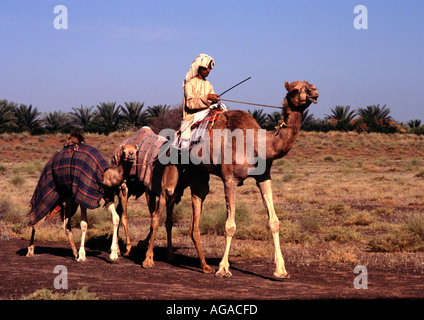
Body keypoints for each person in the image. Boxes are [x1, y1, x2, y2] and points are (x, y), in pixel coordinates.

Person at [180, 53, 221, 148]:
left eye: (210, 69)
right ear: (199, 68)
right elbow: (190, 104)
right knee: (184, 146)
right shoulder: (189, 84)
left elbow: (211, 103)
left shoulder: (209, 85)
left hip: (206, 115)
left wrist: (214, 100)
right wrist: (207, 97)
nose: (208, 71)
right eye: (206, 68)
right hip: (190, 118)